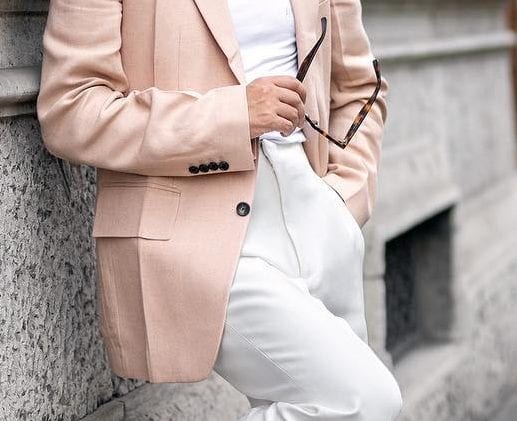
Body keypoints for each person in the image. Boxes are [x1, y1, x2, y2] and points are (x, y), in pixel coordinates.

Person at [37, 0, 402, 419]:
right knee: (364, 401)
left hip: (316, 207)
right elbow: (71, 110)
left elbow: (359, 86)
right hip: (195, 228)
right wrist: (234, 115)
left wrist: (343, 196)